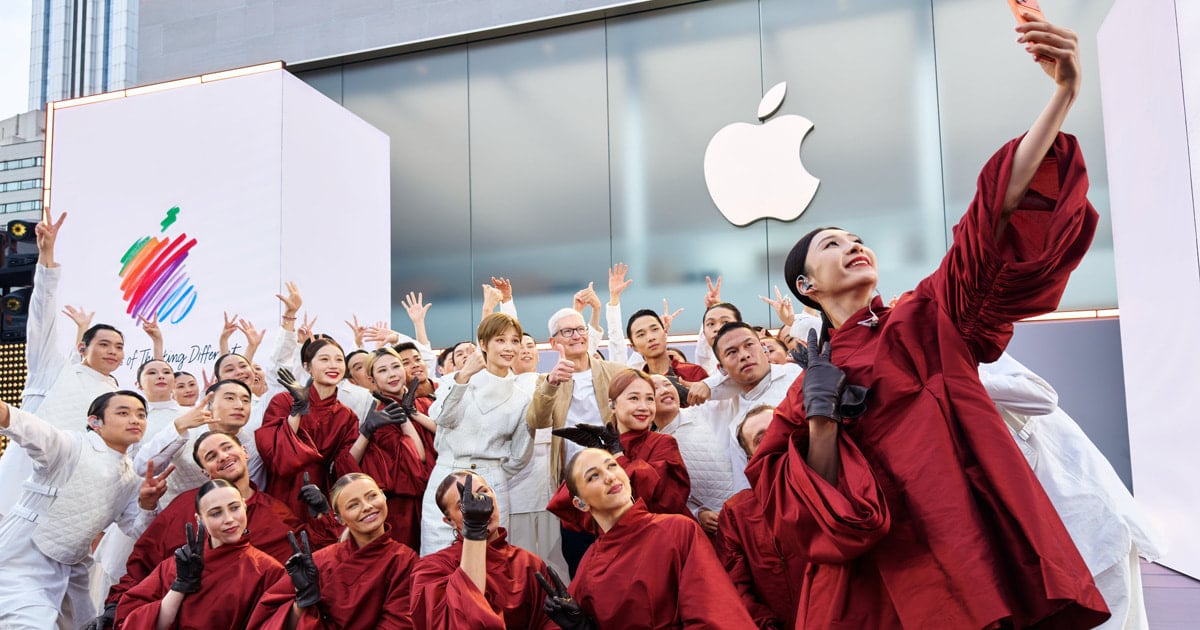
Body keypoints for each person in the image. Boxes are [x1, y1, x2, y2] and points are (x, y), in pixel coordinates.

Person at [749, 18, 1109, 627]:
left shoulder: (925, 315)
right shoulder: (801, 389)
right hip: (879, 579)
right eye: (832, 243)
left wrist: (1063, 95)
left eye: (858, 238)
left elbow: (991, 222)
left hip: (973, 542)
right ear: (806, 288)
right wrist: (819, 414)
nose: (852, 246)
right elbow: (807, 507)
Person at [979, 352, 1165, 630]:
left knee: (1111, 604)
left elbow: (1043, 397)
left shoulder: (970, 358)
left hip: (1086, 514)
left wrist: (963, 379)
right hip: (1048, 528)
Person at [98, 430, 339, 628]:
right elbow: (145, 563)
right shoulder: (182, 508)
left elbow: (313, 561)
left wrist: (322, 515)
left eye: (227, 447)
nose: (222, 457)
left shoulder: (275, 516)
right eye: (211, 456)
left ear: (244, 452)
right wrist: (115, 605)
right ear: (205, 472)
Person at [0, 391, 168, 628]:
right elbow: (25, 426)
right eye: (123, 412)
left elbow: (138, 530)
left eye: (141, 415)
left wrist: (148, 504)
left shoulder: (132, 480)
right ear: (95, 422)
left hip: (73, 570)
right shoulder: (71, 445)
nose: (135, 420)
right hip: (24, 556)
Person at [539, 447, 756, 628]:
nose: (610, 476)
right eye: (593, 476)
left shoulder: (677, 530)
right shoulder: (589, 564)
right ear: (581, 504)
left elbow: (714, 613)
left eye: (612, 465)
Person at [0, 213, 122, 517]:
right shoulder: (50, 369)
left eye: (119, 347)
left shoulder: (116, 397)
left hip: (64, 502)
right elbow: (42, 313)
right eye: (104, 344)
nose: (113, 352)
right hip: (14, 487)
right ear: (83, 348)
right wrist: (46, 255)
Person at [418, 312, 538, 555]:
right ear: (483, 344)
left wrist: (493, 473)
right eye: (500, 340)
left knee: (492, 559)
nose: (509, 348)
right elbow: (441, 418)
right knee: (438, 556)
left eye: (515, 341)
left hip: (492, 484)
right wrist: (462, 378)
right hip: (446, 477)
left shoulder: (522, 397)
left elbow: (521, 453)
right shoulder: (456, 379)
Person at [525, 303, 626, 572]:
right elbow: (536, 421)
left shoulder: (615, 371)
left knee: (626, 555)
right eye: (567, 331)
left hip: (619, 474)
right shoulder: (547, 380)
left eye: (580, 329)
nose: (576, 336)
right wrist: (551, 383)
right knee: (582, 561)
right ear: (553, 341)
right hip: (575, 485)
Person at [249, 473, 419, 629]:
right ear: (339, 518)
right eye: (353, 505)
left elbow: (400, 623)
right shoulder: (321, 561)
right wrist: (303, 601)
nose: (367, 507)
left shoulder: (404, 561)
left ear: (383, 497)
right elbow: (275, 621)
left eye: (372, 496)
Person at [114, 479, 287, 629]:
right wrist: (179, 587)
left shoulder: (268, 570)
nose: (229, 519)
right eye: (216, 513)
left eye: (234, 508)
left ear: (244, 505)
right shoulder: (176, 564)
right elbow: (138, 623)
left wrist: (302, 598)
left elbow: (280, 623)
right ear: (199, 519)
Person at [548, 369, 692, 532]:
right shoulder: (603, 449)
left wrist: (617, 456)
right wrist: (594, 455)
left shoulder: (663, 443)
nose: (644, 407)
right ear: (612, 404)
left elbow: (663, 501)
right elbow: (570, 503)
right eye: (634, 398)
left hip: (661, 537)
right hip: (617, 540)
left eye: (650, 399)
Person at [410, 471, 554, 629]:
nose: (479, 503)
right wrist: (474, 531)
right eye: (464, 504)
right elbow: (459, 621)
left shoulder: (527, 563)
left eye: (483, 492)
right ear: (449, 521)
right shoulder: (431, 570)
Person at [715, 405, 803, 630]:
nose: (774, 439)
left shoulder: (831, 482)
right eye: (761, 438)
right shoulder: (737, 513)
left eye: (778, 429)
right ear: (751, 457)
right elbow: (736, 585)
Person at [258, 337, 362, 525]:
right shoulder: (283, 401)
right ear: (307, 367)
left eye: (339, 360)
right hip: (283, 489)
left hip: (322, 493)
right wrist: (297, 410)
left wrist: (368, 433)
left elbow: (345, 465)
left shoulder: (347, 416)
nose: (333, 365)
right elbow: (276, 456)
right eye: (324, 359)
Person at [135, 379, 263, 505]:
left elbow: (250, 495)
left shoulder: (252, 447)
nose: (240, 405)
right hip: (176, 514)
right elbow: (142, 468)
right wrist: (178, 427)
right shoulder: (186, 428)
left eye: (246, 400)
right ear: (210, 404)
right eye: (230, 398)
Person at [355, 347, 433, 550]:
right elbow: (418, 457)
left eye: (396, 366)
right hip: (405, 508)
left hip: (436, 496)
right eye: (382, 370)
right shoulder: (380, 418)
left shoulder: (424, 403)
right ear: (372, 380)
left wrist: (413, 411)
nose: (391, 374)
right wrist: (403, 415)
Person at [648, 374, 736, 537]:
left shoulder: (705, 410)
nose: (664, 390)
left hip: (751, 508)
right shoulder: (653, 448)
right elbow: (675, 496)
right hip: (720, 531)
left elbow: (738, 383)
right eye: (654, 389)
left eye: (667, 384)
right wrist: (698, 513)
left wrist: (707, 385)